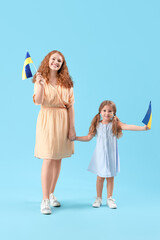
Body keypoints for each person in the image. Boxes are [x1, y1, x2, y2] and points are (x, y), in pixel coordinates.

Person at [75, 100, 149, 209]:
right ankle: (98, 198)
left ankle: (109, 198)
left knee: (110, 177)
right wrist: (75, 138)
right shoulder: (97, 124)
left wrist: (144, 128)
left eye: (110, 111)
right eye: (104, 110)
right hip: (100, 155)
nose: (107, 113)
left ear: (114, 113)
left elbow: (128, 126)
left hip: (111, 155)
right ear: (100, 111)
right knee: (100, 177)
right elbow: (88, 138)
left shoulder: (115, 124)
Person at [33, 50, 76, 214]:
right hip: (47, 119)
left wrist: (72, 128)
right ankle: (44, 200)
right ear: (47, 60)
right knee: (49, 157)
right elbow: (37, 101)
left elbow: (70, 105)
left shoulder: (67, 82)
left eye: (59, 61)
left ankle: (51, 194)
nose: (56, 62)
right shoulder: (40, 78)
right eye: (53, 59)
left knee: (58, 158)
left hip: (63, 120)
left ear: (62, 65)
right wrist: (42, 86)